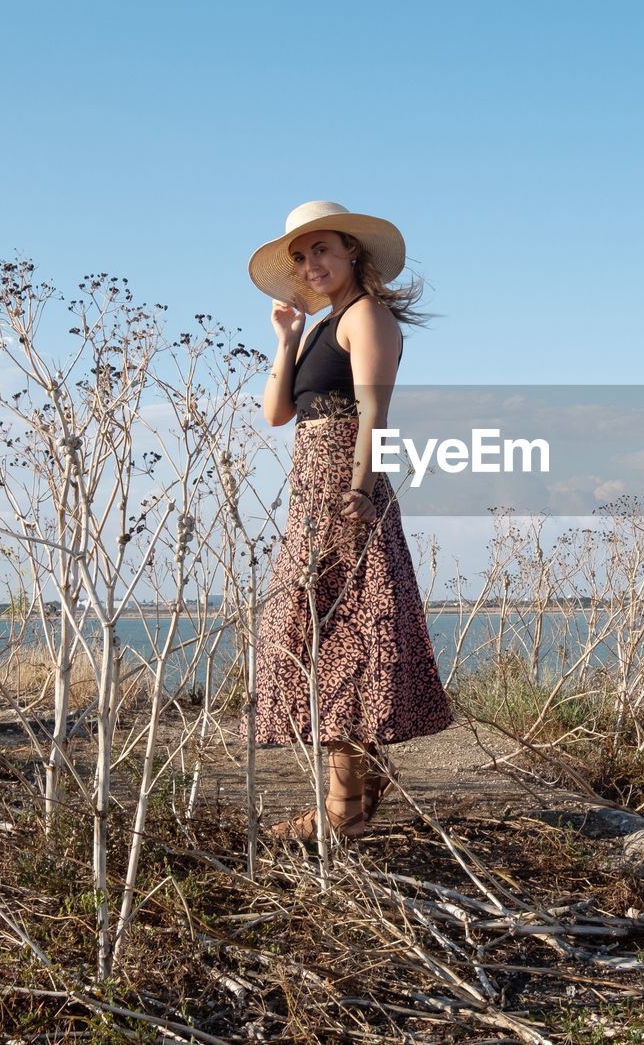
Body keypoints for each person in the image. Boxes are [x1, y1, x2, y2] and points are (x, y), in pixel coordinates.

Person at [248, 200, 453, 839]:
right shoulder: (320, 327)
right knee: (312, 631)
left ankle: (343, 810)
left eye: (324, 252)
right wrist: (285, 339)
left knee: (340, 636)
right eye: (302, 257)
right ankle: (357, 787)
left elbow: (373, 413)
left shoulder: (368, 316)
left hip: (343, 487)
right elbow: (277, 414)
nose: (312, 265)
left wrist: (360, 489)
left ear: (353, 254)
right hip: (309, 491)